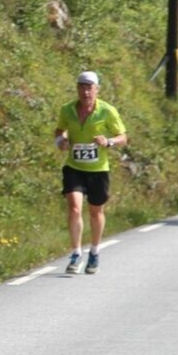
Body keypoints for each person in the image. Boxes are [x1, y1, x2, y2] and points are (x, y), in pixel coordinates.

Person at [54, 71, 128, 275]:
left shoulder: (107, 111)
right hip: (74, 167)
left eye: (90, 87)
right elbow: (59, 130)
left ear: (97, 89)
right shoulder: (67, 109)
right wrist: (61, 141)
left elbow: (123, 137)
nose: (86, 91)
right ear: (77, 88)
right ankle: (76, 253)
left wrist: (109, 141)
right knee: (75, 209)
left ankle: (94, 252)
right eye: (82, 87)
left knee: (96, 212)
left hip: (98, 170)